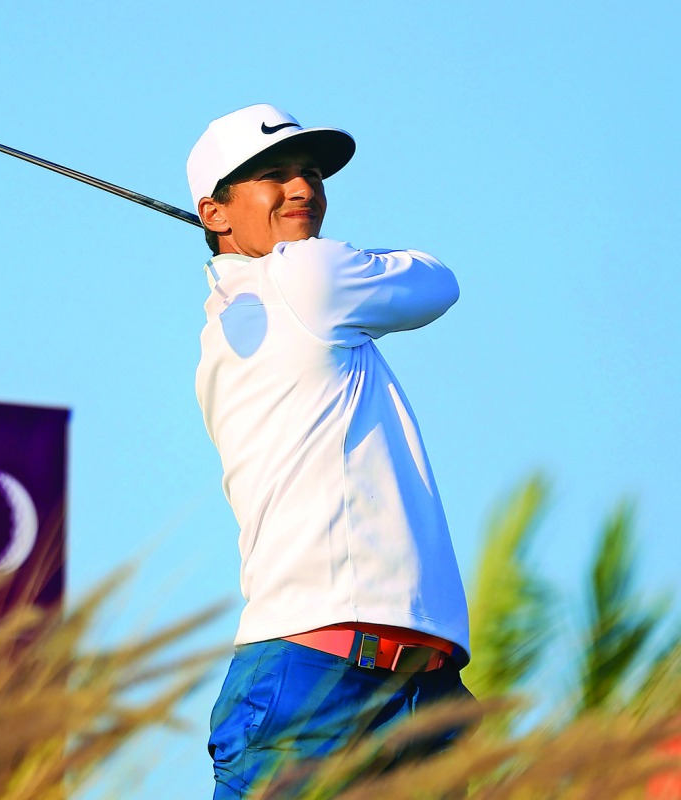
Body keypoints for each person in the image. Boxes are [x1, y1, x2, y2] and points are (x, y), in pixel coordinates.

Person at [187, 104, 476, 798]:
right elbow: (439, 280)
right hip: (313, 682)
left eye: (311, 172)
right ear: (215, 212)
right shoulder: (306, 277)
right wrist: (304, 257)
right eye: (273, 176)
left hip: (423, 691)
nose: (304, 189)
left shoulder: (261, 298)